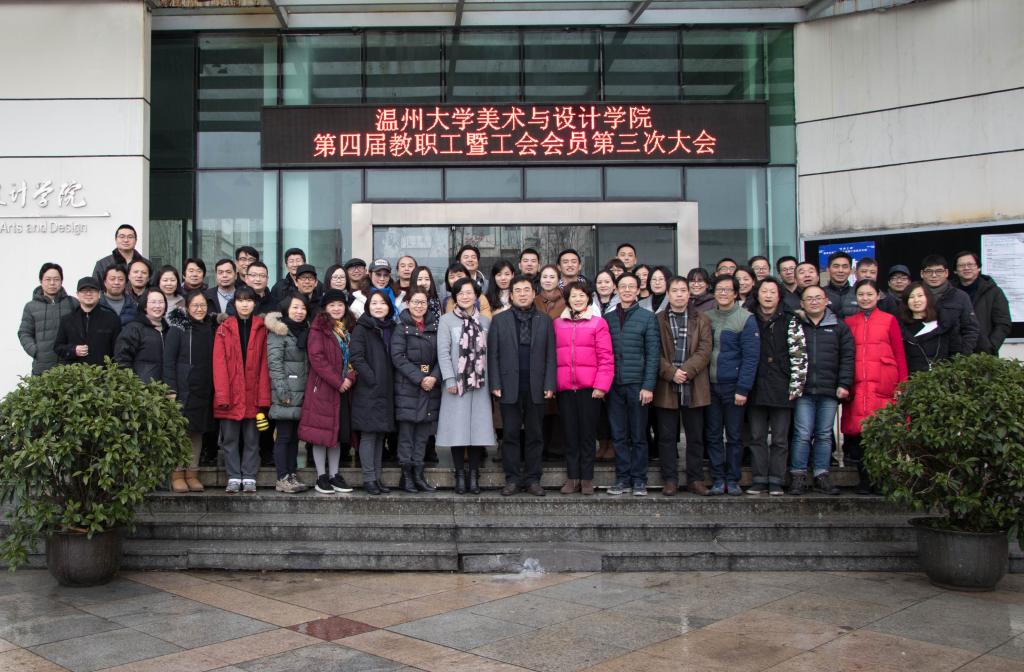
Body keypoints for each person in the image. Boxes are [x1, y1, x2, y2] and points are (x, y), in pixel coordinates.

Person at [489, 276, 557, 497]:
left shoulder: (544, 320)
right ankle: (512, 479)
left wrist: (550, 383)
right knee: (510, 434)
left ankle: (533, 479)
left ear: (533, 293)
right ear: (511, 295)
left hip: (536, 386)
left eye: (526, 290)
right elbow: (493, 355)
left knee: (535, 435)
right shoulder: (500, 320)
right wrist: (495, 382)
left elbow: (551, 355)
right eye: (517, 290)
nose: (522, 294)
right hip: (508, 385)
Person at [842, 279, 909, 494]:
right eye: (861, 294)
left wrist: (902, 383)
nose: (865, 298)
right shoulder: (849, 322)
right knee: (859, 434)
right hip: (858, 386)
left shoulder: (889, 320)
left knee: (882, 434)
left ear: (878, 295)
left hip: (883, 384)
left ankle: (881, 481)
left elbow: (899, 353)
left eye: (869, 294)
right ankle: (864, 480)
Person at [789, 285, 854, 496]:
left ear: (826, 301)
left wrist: (844, 384)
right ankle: (798, 475)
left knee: (824, 435)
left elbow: (847, 357)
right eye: (809, 299)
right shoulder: (796, 325)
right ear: (802, 303)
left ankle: (821, 474)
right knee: (802, 433)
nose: (814, 302)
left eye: (818, 298)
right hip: (803, 389)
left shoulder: (839, 326)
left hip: (829, 389)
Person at [745, 278, 806, 496]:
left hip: (782, 385)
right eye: (764, 291)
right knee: (757, 436)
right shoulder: (749, 318)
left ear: (779, 295)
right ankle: (759, 479)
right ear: (757, 294)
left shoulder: (790, 319)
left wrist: (796, 385)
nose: (768, 295)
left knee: (780, 439)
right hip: (756, 385)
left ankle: (777, 480)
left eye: (773, 292)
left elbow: (799, 354)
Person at [653, 276, 712, 496]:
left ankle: (695, 479)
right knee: (666, 437)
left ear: (689, 294)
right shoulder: (658, 320)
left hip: (694, 384)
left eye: (683, 291)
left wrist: (685, 371)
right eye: (675, 291)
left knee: (695, 436)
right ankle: (670, 479)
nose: (679, 295)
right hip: (666, 385)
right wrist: (671, 373)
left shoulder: (702, 319)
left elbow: (705, 349)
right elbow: (653, 351)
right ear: (668, 294)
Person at [554, 281, 614, 496]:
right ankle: (572, 478)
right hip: (565, 389)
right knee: (570, 435)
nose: (578, 299)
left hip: (590, 389)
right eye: (573, 296)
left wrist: (601, 386)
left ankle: (587, 478)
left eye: (582, 295)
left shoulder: (598, 323)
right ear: (567, 299)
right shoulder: (557, 324)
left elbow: (606, 357)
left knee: (588, 435)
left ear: (588, 298)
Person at [436, 277, 495, 495]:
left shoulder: (485, 321)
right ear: (455, 297)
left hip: (480, 383)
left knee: (478, 430)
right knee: (457, 430)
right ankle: (460, 475)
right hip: (456, 384)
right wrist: (449, 379)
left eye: (469, 292)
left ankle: (474, 475)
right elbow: (443, 352)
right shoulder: (446, 321)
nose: (465, 296)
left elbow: (490, 354)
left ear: (477, 295)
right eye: (460, 293)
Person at [604, 272, 660, 496]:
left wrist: (648, 386)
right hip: (614, 385)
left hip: (638, 385)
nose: (626, 290)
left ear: (638, 290)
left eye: (631, 287)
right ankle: (622, 479)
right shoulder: (608, 318)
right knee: (618, 435)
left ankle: (639, 480)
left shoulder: (647, 317)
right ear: (616, 290)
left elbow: (653, 355)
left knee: (638, 435)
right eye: (623, 287)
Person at [704, 274, 760, 496]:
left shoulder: (746, 318)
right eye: (719, 289)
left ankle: (733, 478)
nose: (723, 293)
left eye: (728, 290)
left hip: (734, 387)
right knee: (713, 435)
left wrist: (743, 388)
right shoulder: (707, 317)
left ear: (736, 293)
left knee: (735, 436)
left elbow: (751, 358)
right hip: (710, 385)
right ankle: (718, 478)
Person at [212, 286, 271, 494]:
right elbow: (219, 364)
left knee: (252, 439)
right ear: (234, 303)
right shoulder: (224, 328)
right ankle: (234, 476)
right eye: (240, 300)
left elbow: (265, 365)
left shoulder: (262, 328)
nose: (244, 304)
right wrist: (222, 394)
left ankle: (249, 475)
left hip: (253, 392)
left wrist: (264, 397)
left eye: (248, 300)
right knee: (229, 439)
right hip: (230, 392)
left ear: (255, 303)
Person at [298, 290, 356, 495]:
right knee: (320, 434)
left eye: (340, 304)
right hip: (322, 389)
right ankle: (321, 476)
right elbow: (317, 359)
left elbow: (354, 358)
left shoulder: (347, 329)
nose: (337, 308)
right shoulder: (318, 329)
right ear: (325, 308)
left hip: (343, 389)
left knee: (336, 433)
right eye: (332, 305)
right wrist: (338, 381)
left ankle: (334, 474)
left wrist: (350, 378)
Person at [164, 289, 216, 494]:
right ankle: (177, 474)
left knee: (196, 432)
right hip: (182, 387)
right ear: (186, 307)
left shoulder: (209, 327)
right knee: (180, 432)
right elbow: (168, 361)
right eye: (195, 305)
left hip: (203, 387)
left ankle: (192, 473)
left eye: (203, 305)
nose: (199, 309)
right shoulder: (177, 328)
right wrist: (171, 389)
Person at [391, 287, 441, 493]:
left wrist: (434, 377)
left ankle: (419, 475)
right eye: (415, 302)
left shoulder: (436, 326)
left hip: (431, 386)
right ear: (408, 303)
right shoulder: (400, 327)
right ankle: (406, 477)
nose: (419, 306)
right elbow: (398, 357)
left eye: (423, 302)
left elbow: (443, 355)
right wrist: (420, 379)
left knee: (423, 434)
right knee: (407, 434)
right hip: (408, 386)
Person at [350, 290, 397, 495]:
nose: (378, 307)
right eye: (374, 303)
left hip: (387, 389)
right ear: (368, 307)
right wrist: (373, 379)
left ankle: (377, 478)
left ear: (389, 307)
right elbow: (356, 357)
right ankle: (369, 478)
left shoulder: (392, 328)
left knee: (380, 435)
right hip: (368, 389)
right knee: (369, 434)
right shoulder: (362, 328)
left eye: (382, 303)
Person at [265, 294, 311, 494]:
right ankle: (282, 477)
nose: (299, 312)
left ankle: (291, 474)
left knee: (294, 437)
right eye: (295, 308)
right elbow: (274, 363)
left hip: (302, 393)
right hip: (286, 393)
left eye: (303, 308)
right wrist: (282, 390)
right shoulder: (279, 331)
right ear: (286, 309)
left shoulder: (305, 330)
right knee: (283, 436)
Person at [19, 262, 78, 376]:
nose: (52, 283)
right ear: (41, 281)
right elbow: (24, 333)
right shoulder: (31, 307)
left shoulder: (73, 303)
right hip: (42, 368)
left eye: (56, 279)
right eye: (48, 279)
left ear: (61, 281)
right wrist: (35, 351)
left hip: (69, 367)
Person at [954, 251, 1011, 355]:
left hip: (984, 355)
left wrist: (991, 346)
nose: (966, 268)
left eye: (970, 264)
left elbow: (1003, 323)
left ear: (978, 268)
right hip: (954, 353)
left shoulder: (994, 292)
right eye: (961, 265)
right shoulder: (949, 292)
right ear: (955, 270)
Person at [920, 254, 979, 356]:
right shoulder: (914, 296)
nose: (934, 275)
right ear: (922, 274)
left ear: (946, 273)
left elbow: (971, 329)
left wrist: (962, 355)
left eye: (939, 271)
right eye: (929, 271)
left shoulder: (960, 296)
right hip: (920, 355)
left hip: (952, 356)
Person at [54, 277, 121, 366]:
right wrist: (73, 350)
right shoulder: (67, 320)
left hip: (103, 373)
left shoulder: (112, 319)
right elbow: (58, 347)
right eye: (84, 291)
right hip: (75, 372)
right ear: (77, 294)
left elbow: (118, 350)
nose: (88, 294)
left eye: (93, 290)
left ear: (99, 294)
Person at [114, 288, 168, 383]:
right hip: (141, 388)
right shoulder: (134, 329)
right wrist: (133, 384)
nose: (157, 306)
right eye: (153, 302)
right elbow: (122, 360)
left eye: (161, 302)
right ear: (145, 306)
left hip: (166, 387)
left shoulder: (168, 330)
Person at [898, 282, 952, 373]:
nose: (916, 300)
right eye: (911, 297)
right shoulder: (900, 327)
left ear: (928, 298)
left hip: (941, 375)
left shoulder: (942, 322)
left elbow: (954, 348)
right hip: (912, 377)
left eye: (920, 296)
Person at [823, 251, 858, 318]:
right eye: (836, 266)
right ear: (828, 270)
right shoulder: (821, 294)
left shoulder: (858, 293)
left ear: (850, 270)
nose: (840, 270)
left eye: (845, 267)